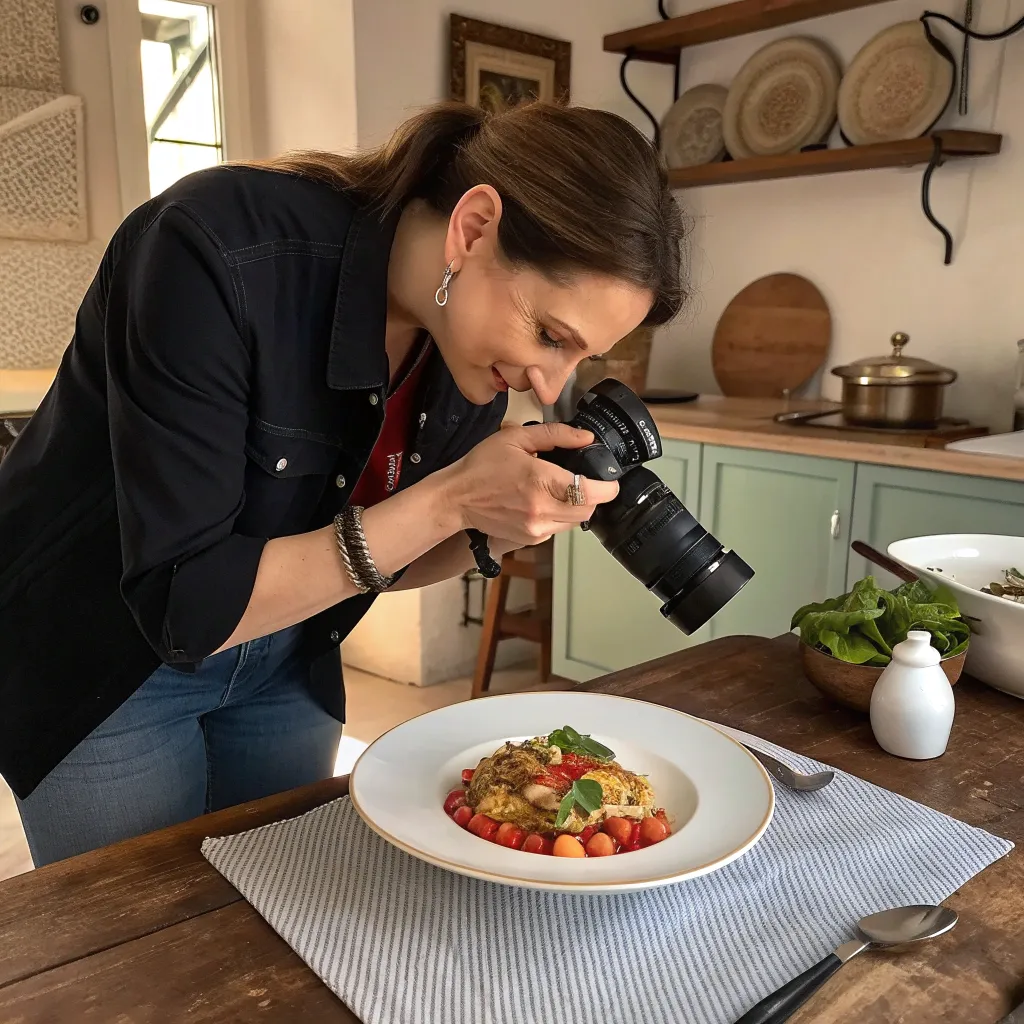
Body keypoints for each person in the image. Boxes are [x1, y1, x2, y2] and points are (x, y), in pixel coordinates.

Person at [0, 101, 685, 866]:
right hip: (107, 661)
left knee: (273, 912)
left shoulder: (465, 358)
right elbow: (184, 605)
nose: (547, 381)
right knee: (143, 955)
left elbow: (381, 564)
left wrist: (488, 528)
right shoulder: (214, 249)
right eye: (551, 336)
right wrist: (450, 497)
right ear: (473, 228)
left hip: (290, 653)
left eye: (578, 358)